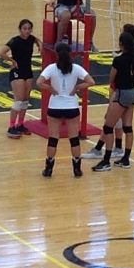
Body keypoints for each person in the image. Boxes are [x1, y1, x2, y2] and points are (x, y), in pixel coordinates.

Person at [85, 22, 134, 160]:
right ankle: (123, 155)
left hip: (120, 91)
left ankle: (104, 154)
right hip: (132, 92)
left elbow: (111, 78)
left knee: (110, 123)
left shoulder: (122, 59)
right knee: (125, 125)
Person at [36, 42, 95, 178]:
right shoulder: (75, 68)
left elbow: (39, 82)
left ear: (56, 54)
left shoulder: (51, 68)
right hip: (71, 107)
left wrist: (50, 88)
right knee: (74, 139)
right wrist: (77, 88)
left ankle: (49, 169)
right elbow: (91, 81)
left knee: (53, 139)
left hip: (55, 106)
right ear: (70, 54)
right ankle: (77, 169)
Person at [0, 18, 41, 138]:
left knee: (26, 100)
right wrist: (12, 61)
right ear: (20, 29)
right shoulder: (14, 41)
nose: (27, 31)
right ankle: (11, 127)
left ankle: (20, 124)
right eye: (24, 29)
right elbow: (2, 53)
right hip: (17, 71)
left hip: (28, 71)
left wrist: (40, 45)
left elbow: (37, 40)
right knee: (19, 100)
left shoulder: (32, 39)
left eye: (29, 29)